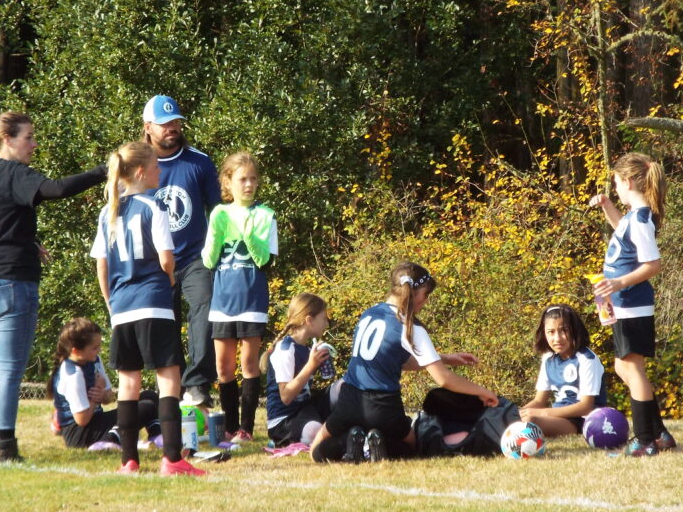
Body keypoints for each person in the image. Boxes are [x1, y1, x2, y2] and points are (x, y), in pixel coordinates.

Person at [0, 111, 107, 463]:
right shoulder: (14, 172)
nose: (34, 144)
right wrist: (103, 171)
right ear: (8, 140)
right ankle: (6, 449)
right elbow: (55, 189)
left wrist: (26, 241)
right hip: (11, 282)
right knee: (9, 371)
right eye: (28, 137)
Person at [90, 141, 204, 476]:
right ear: (140, 171)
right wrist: (168, 281)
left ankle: (129, 462)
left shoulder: (106, 211)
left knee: (128, 384)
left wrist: (112, 302)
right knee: (169, 379)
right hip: (153, 301)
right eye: (155, 165)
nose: (160, 170)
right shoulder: (153, 207)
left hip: (123, 306)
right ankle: (172, 459)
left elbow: (101, 266)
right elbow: (167, 258)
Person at [311, 262, 498, 463]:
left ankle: (349, 441)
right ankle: (377, 443)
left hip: (349, 399)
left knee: (316, 451)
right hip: (383, 406)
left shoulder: (369, 313)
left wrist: (444, 358)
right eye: (426, 295)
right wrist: (482, 391)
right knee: (413, 449)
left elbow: (394, 360)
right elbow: (443, 379)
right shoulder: (411, 325)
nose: (425, 302)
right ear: (413, 293)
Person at [589, 151, 676, 456]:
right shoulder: (631, 217)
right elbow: (623, 238)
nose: (614, 188)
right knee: (624, 368)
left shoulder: (641, 219)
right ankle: (660, 434)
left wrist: (618, 283)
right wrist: (608, 207)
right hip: (623, 304)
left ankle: (645, 440)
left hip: (633, 304)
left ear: (627, 181)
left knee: (632, 368)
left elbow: (653, 264)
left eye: (615, 184)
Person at [142, 95, 222, 409]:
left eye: (175, 122)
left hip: (194, 258)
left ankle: (198, 383)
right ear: (148, 127)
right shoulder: (137, 164)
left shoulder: (199, 161)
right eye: (164, 124)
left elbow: (217, 211)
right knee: (166, 325)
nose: (172, 128)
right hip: (153, 262)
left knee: (205, 307)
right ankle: (170, 388)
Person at [201, 151, 277, 443]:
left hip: (251, 300)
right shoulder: (220, 213)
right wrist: (215, 235)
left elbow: (264, 261)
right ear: (228, 182)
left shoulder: (265, 215)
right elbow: (208, 261)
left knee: (248, 365)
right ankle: (229, 427)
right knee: (223, 368)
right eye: (242, 179)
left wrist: (248, 232)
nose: (249, 185)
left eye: (253, 179)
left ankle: (246, 429)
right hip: (223, 302)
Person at [47, 317, 163, 451]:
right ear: (76, 351)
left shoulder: (94, 360)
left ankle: (157, 436)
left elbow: (109, 397)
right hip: (79, 434)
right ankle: (109, 440)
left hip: (96, 420)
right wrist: (96, 398)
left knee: (149, 396)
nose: (99, 351)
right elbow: (82, 419)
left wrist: (103, 395)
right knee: (146, 407)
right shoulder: (73, 374)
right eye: (94, 348)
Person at [263, 292, 341, 448]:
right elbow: (286, 396)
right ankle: (316, 439)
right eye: (323, 318)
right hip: (284, 420)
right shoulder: (285, 350)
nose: (327, 323)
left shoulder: (305, 348)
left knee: (343, 387)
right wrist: (311, 365)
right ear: (309, 320)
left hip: (305, 410)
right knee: (314, 431)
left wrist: (319, 363)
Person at [518, 304, 606, 437]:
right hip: (557, 416)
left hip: (581, 420)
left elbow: (586, 406)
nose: (557, 338)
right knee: (515, 420)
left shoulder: (587, 359)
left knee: (530, 421)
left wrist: (540, 413)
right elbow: (539, 401)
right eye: (551, 332)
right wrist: (518, 413)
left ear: (573, 330)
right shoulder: (548, 358)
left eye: (563, 330)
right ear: (544, 333)